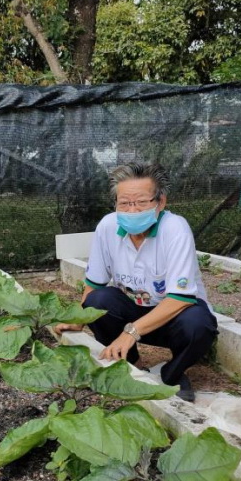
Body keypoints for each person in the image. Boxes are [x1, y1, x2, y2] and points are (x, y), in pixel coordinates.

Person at [55, 162, 218, 402]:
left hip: (173, 318)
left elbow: (180, 298)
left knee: (198, 324)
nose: (132, 210)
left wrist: (131, 332)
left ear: (160, 202)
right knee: (98, 301)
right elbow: (95, 284)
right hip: (134, 311)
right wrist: (79, 320)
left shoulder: (175, 229)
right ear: (116, 204)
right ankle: (132, 365)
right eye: (125, 203)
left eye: (142, 202)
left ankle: (172, 373)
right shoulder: (108, 227)